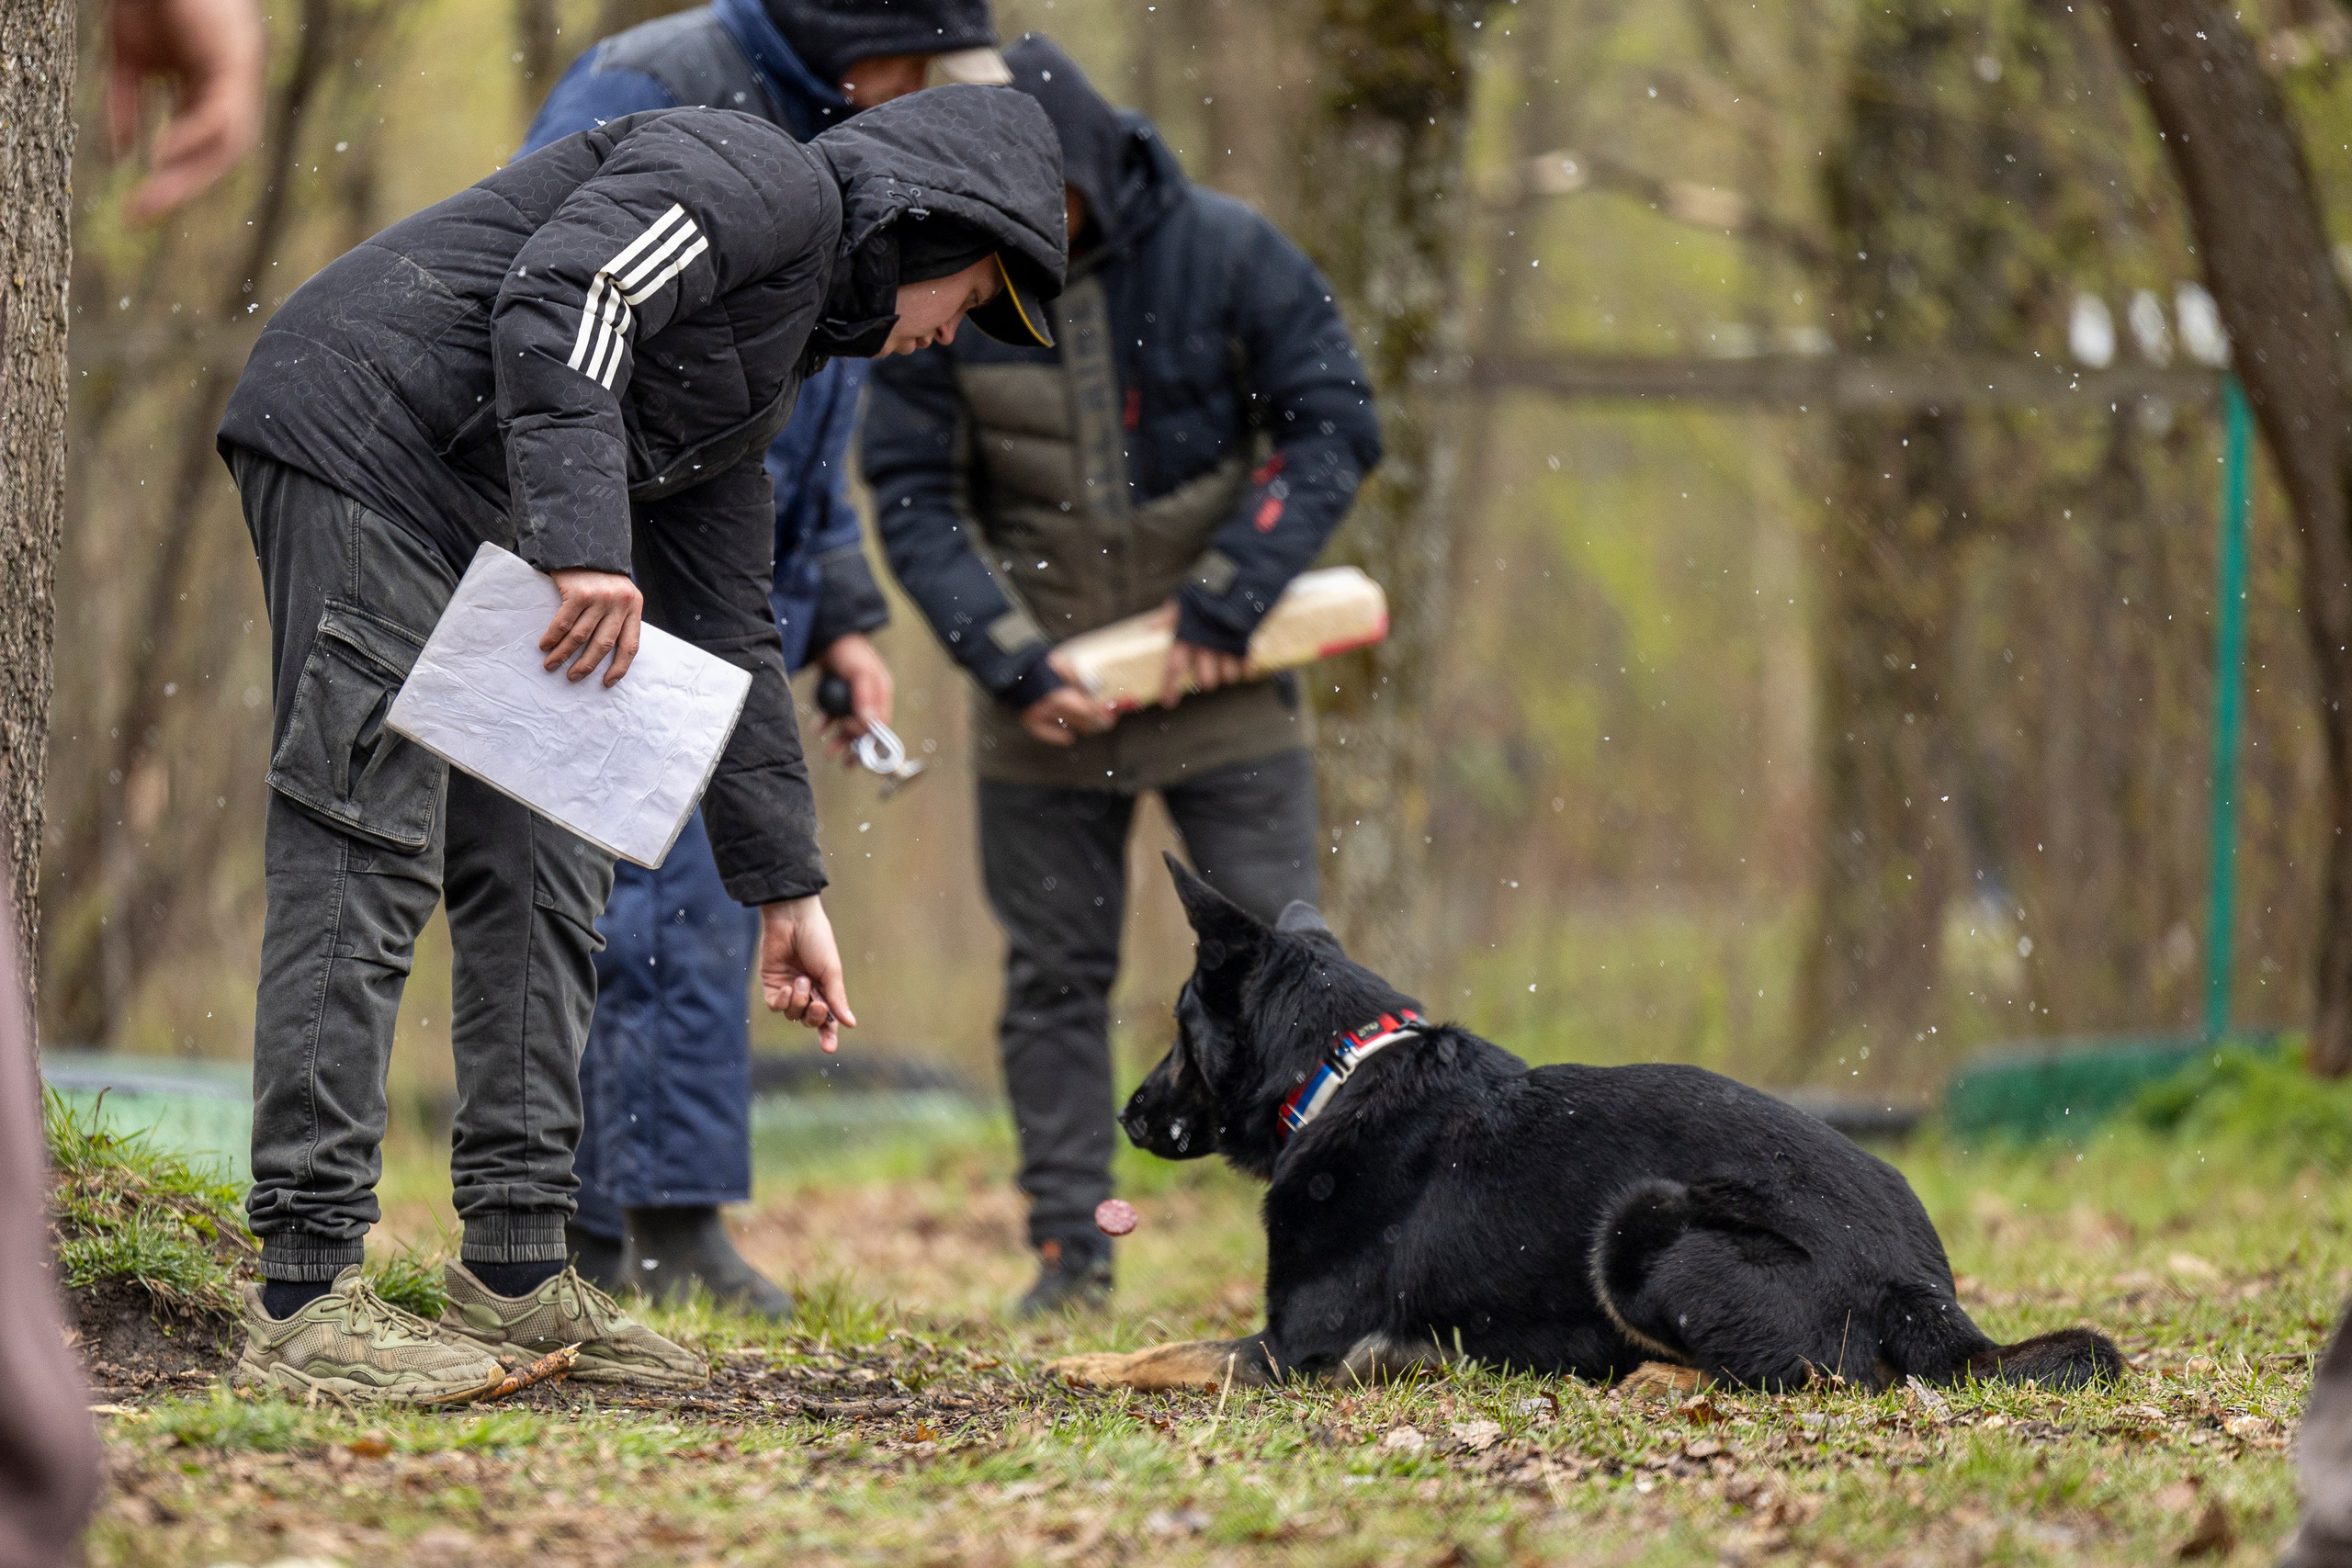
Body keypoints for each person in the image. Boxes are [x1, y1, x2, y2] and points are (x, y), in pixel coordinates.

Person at [215, 85, 1066, 1399]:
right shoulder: (757, 176)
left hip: (490, 513)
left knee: (551, 862)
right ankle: (303, 1295)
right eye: (973, 300)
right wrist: (585, 546)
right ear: (934, 226)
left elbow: (733, 627)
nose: (949, 336)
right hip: (368, 444)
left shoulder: (762, 366)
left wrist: (786, 891)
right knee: (366, 849)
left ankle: (511, 1271)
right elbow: (569, 298)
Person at [862, 34, 1381, 1315]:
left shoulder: (1232, 252)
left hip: (1228, 691)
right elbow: (913, 493)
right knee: (1052, 981)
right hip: (1039, 706)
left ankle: (1349, 1233)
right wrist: (1007, 658)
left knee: (1295, 957)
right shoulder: (943, 280)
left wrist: (1232, 593)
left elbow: (1334, 422)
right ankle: (1072, 1248)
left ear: (1085, 163)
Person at [518, 0, 1008, 1318]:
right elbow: (549, 307)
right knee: (613, 892)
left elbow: (815, 393)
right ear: (870, 41)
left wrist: (840, 605)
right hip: (620, 552)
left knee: (706, 893)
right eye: (920, 75)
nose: (918, 98)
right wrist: (582, 540)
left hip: (736, 557)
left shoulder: (846, 129)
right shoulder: (652, 80)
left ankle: (662, 1220)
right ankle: (582, 1225)